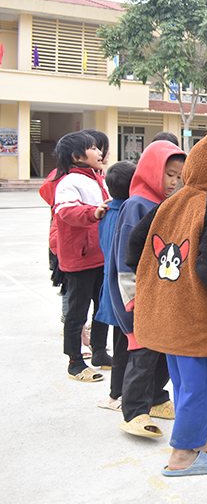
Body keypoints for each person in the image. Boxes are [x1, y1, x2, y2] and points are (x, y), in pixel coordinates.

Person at [126, 129, 207, 477]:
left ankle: (198, 438)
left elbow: (132, 250)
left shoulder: (171, 202)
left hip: (164, 311)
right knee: (201, 383)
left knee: (182, 381)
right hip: (194, 316)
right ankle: (183, 455)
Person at [111, 140, 185, 438]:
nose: (174, 181)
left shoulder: (165, 205)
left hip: (161, 294)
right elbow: (123, 261)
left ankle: (156, 398)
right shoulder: (137, 205)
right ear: (153, 170)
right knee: (141, 354)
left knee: (162, 350)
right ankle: (134, 412)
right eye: (169, 174)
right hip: (137, 297)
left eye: (179, 176)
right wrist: (134, 300)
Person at [53, 131, 111, 382]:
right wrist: (94, 212)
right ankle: (75, 362)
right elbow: (68, 211)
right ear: (77, 156)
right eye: (94, 149)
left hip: (100, 255)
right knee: (78, 311)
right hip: (79, 258)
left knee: (102, 307)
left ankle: (99, 352)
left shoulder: (98, 179)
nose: (100, 153)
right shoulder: (68, 183)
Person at [95, 161, 137, 412]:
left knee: (121, 341)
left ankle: (117, 394)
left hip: (110, 285)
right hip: (123, 290)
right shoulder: (129, 213)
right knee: (124, 345)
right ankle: (116, 395)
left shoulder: (106, 212)